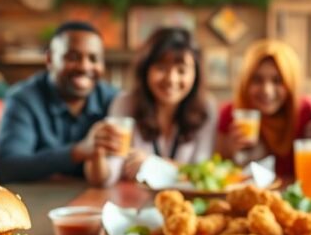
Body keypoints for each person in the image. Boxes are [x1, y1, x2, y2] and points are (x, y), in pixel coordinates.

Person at [86, 28, 216, 186]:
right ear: (145, 69)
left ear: (196, 74)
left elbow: (203, 174)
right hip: (134, 202)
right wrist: (97, 152)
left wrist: (153, 164)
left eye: (181, 70)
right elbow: (109, 176)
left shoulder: (206, 108)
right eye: (161, 68)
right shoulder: (125, 103)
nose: (171, 79)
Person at [0, 21, 120, 183]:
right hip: (37, 201)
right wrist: (77, 151)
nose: (84, 66)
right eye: (73, 57)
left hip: (100, 201)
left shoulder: (114, 99)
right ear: (50, 59)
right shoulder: (23, 99)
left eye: (94, 59)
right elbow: (7, 167)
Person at [217, 39, 311, 176]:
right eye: (257, 79)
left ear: (290, 83)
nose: (267, 91)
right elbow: (217, 173)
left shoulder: (305, 112)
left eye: (277, 80)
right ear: (245, 82)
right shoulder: (230, 113)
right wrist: (229, 154)